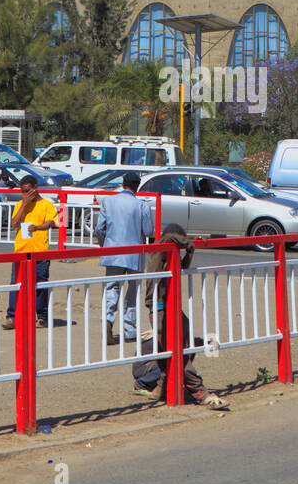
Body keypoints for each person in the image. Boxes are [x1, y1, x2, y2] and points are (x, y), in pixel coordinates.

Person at [131, 223, 227, 408]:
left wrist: (191, 251)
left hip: (170, 306)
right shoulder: (159, 251)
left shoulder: (169, 256)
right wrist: (187, 242)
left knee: (185, 339)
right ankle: (201, 393)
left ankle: (162, 388)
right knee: (177, 352)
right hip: (159, 307)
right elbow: (167, 239)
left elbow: (181, 267)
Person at [95, 171, 153, 345]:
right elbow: (149, 230)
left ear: (123, 183)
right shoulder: (141, 205)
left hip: (112, 251)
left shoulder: (108, 201)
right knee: (133, 291)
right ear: (137, 186)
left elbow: (99, 228)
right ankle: (129, 329)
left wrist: (104, 244)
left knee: (112, 288)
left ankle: (108, 320)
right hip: (134, 254)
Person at [2, 174, 58, 330]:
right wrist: (24, 205)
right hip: (21, 250)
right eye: (22, 191)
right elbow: (13, 224)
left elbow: (49, 223)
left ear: (35, 189)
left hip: (40, 251)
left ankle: (41, 316)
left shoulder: (47, 204)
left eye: (27, 191)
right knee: (16, 284)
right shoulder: (20, 203)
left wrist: (37, 228)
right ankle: (12, 316)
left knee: (40, 284)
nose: (24, 194)